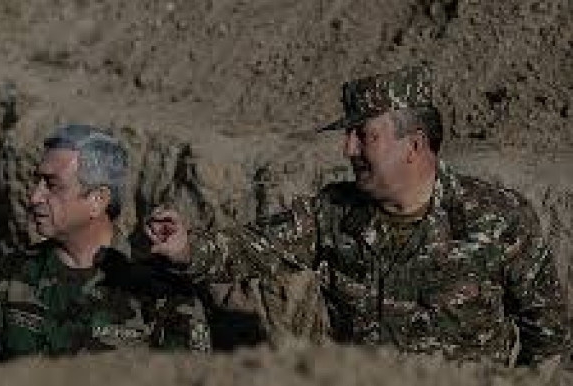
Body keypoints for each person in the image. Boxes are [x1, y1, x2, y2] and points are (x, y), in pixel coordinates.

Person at [146, 64, 570, 366]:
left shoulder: (499, 218)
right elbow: (251, 247)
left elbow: (549, 338)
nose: (348, 149)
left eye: (364, 135)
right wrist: (187, 247)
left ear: (414, 145)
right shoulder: (333, 213)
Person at [0, 124, 210, 368]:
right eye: (38, 182)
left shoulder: (160, 291)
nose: (35, 197)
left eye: (52, 185)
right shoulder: (13, 274)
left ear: (98, 200)